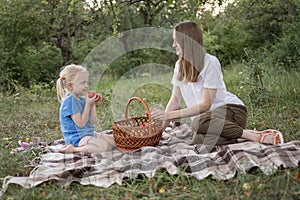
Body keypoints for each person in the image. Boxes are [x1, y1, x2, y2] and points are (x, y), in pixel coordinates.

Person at [151, 21, 284, 146]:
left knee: (197, 123)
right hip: (207, 120)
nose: (173, 44)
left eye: (176, 40)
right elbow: (174, 101)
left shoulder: (210, 62)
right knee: (199, 140)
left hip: (232, 111)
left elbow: (205, 105)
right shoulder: (179, 65)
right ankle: (237, 135)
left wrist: (168, 115)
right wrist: (158, 133)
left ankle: (252, 136)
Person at [56, 64, 115, 153]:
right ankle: (73, 149)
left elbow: (92, 121)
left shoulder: (82, 99)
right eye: (83, 82)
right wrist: (88, 105)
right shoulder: (69, 102)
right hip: (77, 138)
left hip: (88, 133)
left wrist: (92, 104)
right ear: (70, 86)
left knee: (116, 141)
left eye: (86, 82)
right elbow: (80, 124)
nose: (86, 86)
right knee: (105, 147)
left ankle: (91, 144)